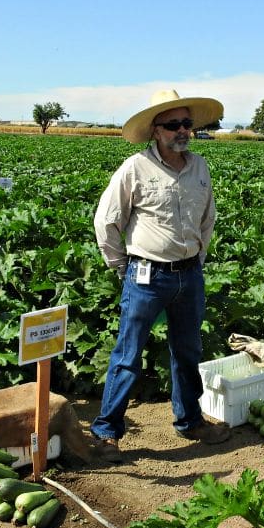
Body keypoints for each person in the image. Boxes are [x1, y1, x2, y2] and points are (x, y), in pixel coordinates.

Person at [91, 89, 231, 462]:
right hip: (146, 276)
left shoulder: (199, 166)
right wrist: (122, 267)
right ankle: (106, 432)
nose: (183, 130)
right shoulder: (134, 168)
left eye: (187, 123)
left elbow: (208, 217)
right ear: (156, 130)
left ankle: (190, 421)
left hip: (190, 275)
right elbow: (107, 222)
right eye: (174, 125)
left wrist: (197, 257)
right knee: (127, 354)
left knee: (188, 352)